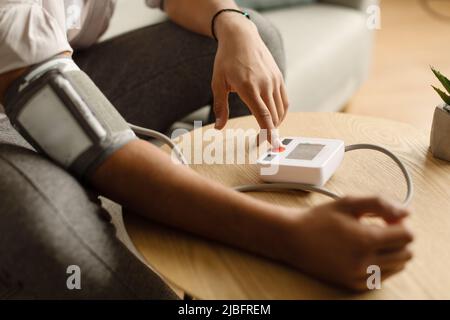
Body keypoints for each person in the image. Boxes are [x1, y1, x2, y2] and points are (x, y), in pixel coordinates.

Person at [0, 0, 413, 299]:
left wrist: (234, 23)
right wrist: (293, 238)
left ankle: (223, 237)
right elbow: (101, 150)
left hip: (62, 65)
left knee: (255, 39)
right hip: (11, 106)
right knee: (51, 226)